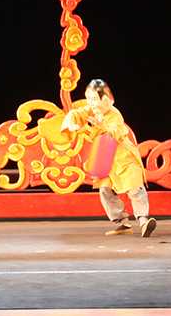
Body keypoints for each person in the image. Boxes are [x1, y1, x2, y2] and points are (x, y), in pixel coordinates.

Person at [61, 78, 156, 238]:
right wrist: (72, 122)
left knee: (134, 187)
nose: (91, 102)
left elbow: (114, 132)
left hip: (122, 155)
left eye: (94, 99)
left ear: (105, 99)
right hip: (104, 154)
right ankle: (122, 223)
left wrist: (99, 124)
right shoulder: (91, 109)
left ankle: (143, 221)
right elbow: (76, 113)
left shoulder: (114, 114)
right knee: (105, 189)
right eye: (89, 98)